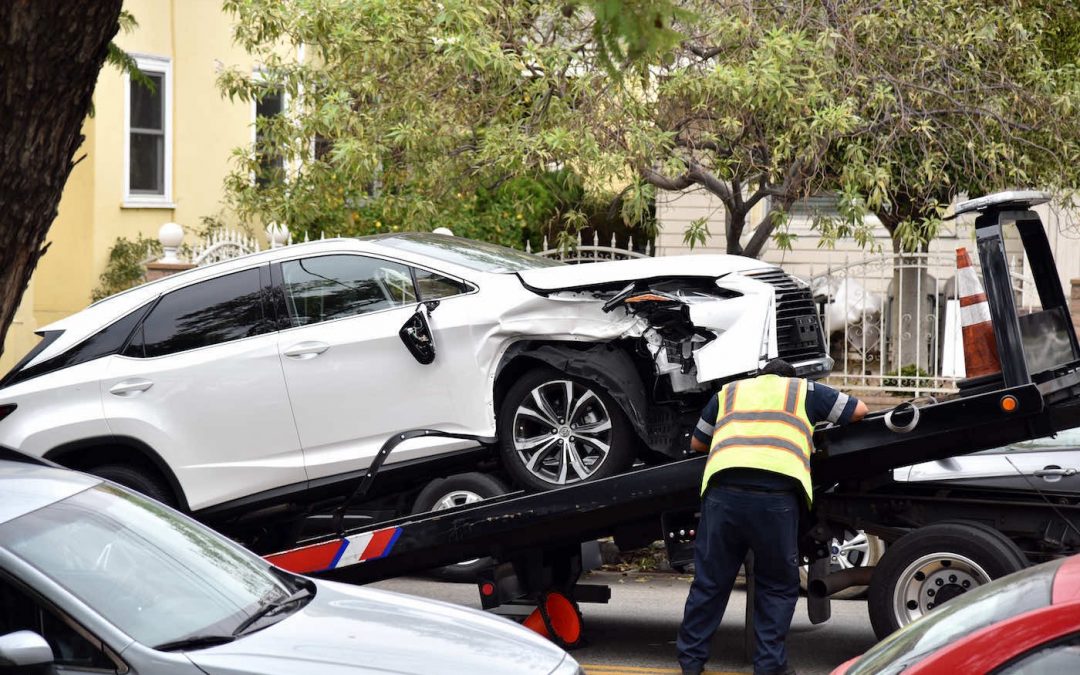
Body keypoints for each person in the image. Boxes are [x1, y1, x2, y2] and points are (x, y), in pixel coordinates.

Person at [676, 358, 868, 675]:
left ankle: (691, 663)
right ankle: (769, 666)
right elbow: (859, 411)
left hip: (723, 496)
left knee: (710, 583)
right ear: (789, 378)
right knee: (776, 586)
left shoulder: (730, 392)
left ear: (759, 376)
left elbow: (698, 442)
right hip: (774, 500)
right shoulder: (803, 391)